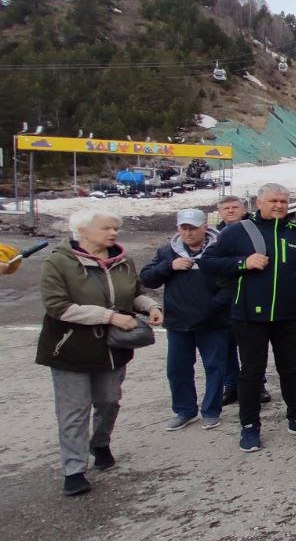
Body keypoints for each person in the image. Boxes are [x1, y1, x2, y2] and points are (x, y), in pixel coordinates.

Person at [37, 210, 163, 496]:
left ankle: (100, 442)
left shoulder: (122, 260)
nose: (113, 233)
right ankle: (74, 469)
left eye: (115, 228)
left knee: (109, 401)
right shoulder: (58, 262)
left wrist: (150, 307)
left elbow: (134, 293)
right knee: (74, 410)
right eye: (106, 228)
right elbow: (58, 306)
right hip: (69, 348)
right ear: (81, 231)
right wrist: (109, 317)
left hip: (112, 349)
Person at [201, 183, 296, 452]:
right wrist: (243, 263)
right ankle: (249, 426)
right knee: (252, 372)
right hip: (247, 316)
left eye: (283, 201)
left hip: (287, 316)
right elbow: (207, 262)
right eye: (273, 201)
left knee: (291, 370)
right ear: (259, 202)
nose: (279, 205)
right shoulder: (238, 231)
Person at [140, 209, 230, 432]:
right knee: (177, 368)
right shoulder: (167, 252)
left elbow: (231, 283)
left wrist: (212, 306)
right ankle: (184, 410)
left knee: (215, 367)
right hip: (179, 322)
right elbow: (147, 279)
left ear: (204, 227)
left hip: (214, 321)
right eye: (184, 228)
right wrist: (169, 266)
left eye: (193, 228)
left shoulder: (220, 250)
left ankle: (211, 411)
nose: (188, 233)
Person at [215, 195, 270, 406]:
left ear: (244, 209)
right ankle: (231, 385)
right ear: (219, 212)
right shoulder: (214, 235)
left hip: (249, 295)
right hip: (222, 296)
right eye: (226, 208)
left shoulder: (255, 231)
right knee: (225, 344)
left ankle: (258, 385)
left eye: (234, 207)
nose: (230, 211)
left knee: (253, 346)